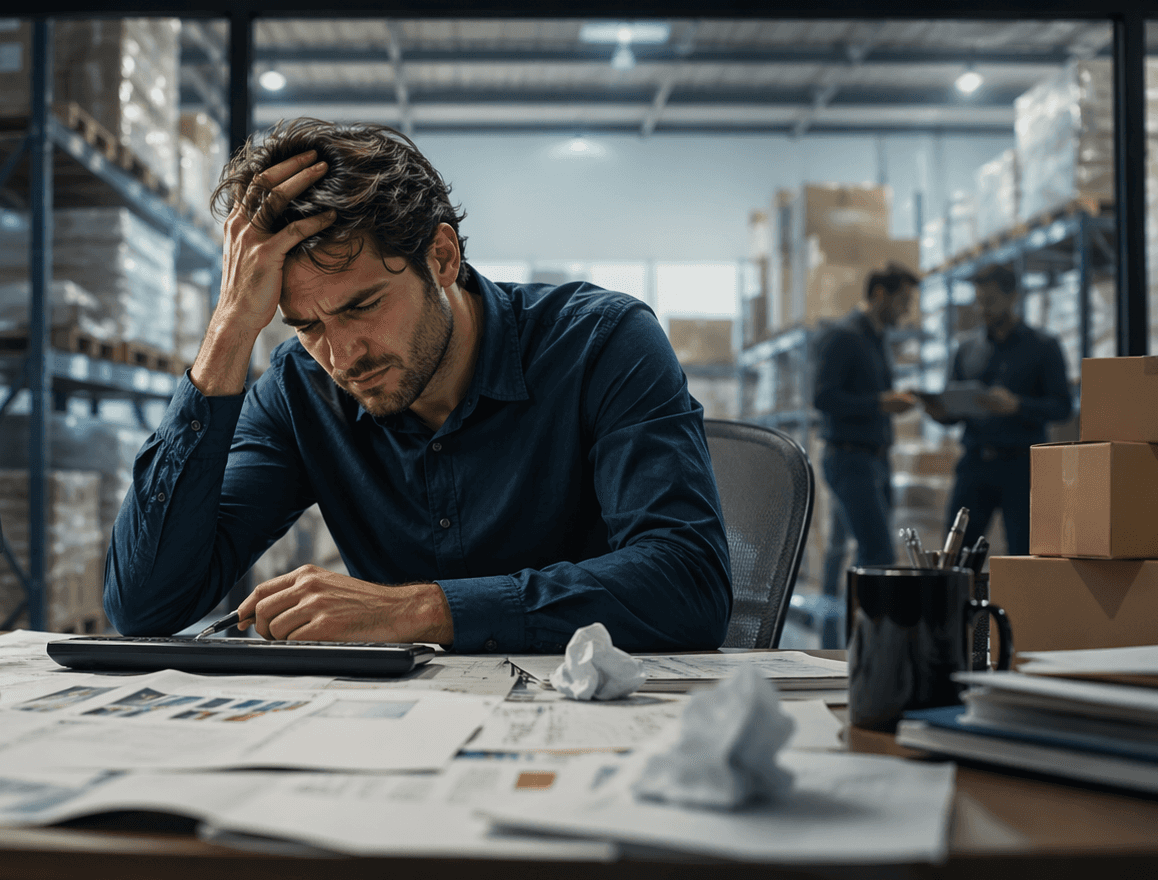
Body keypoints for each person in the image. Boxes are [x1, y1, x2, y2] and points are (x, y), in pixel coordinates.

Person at [103, 119, 731, 653]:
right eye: (306, 326)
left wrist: (421, 611)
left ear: (442, 258)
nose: (342, 355)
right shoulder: (302, 390)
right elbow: (145, 606)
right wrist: (230, 329)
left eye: (362, 306)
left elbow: (688, 581)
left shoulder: (602, 343)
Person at [923, 264, 1071, 554]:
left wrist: (1017, 405)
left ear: (1013, 296)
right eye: (978, 300)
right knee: (956, 556)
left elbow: (1062, 407)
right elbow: (954, 409)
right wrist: (940, 413)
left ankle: (1018, 601)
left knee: (1025, 554)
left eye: (989, 301)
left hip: (1022, 468)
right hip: (975, 464)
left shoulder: (1043, 346)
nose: (982, 309)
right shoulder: (966, 350)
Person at [812, 263, 920, 572]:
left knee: (871, 552)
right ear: (880, 293)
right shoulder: (843, 337)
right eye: (903, 300)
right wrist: (880, 403)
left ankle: (856, 619)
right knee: (878, 555)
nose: (906, 310)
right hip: (850, 459)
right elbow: (822, 397)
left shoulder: (878, 340)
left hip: (876, 459)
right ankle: (869, 621)